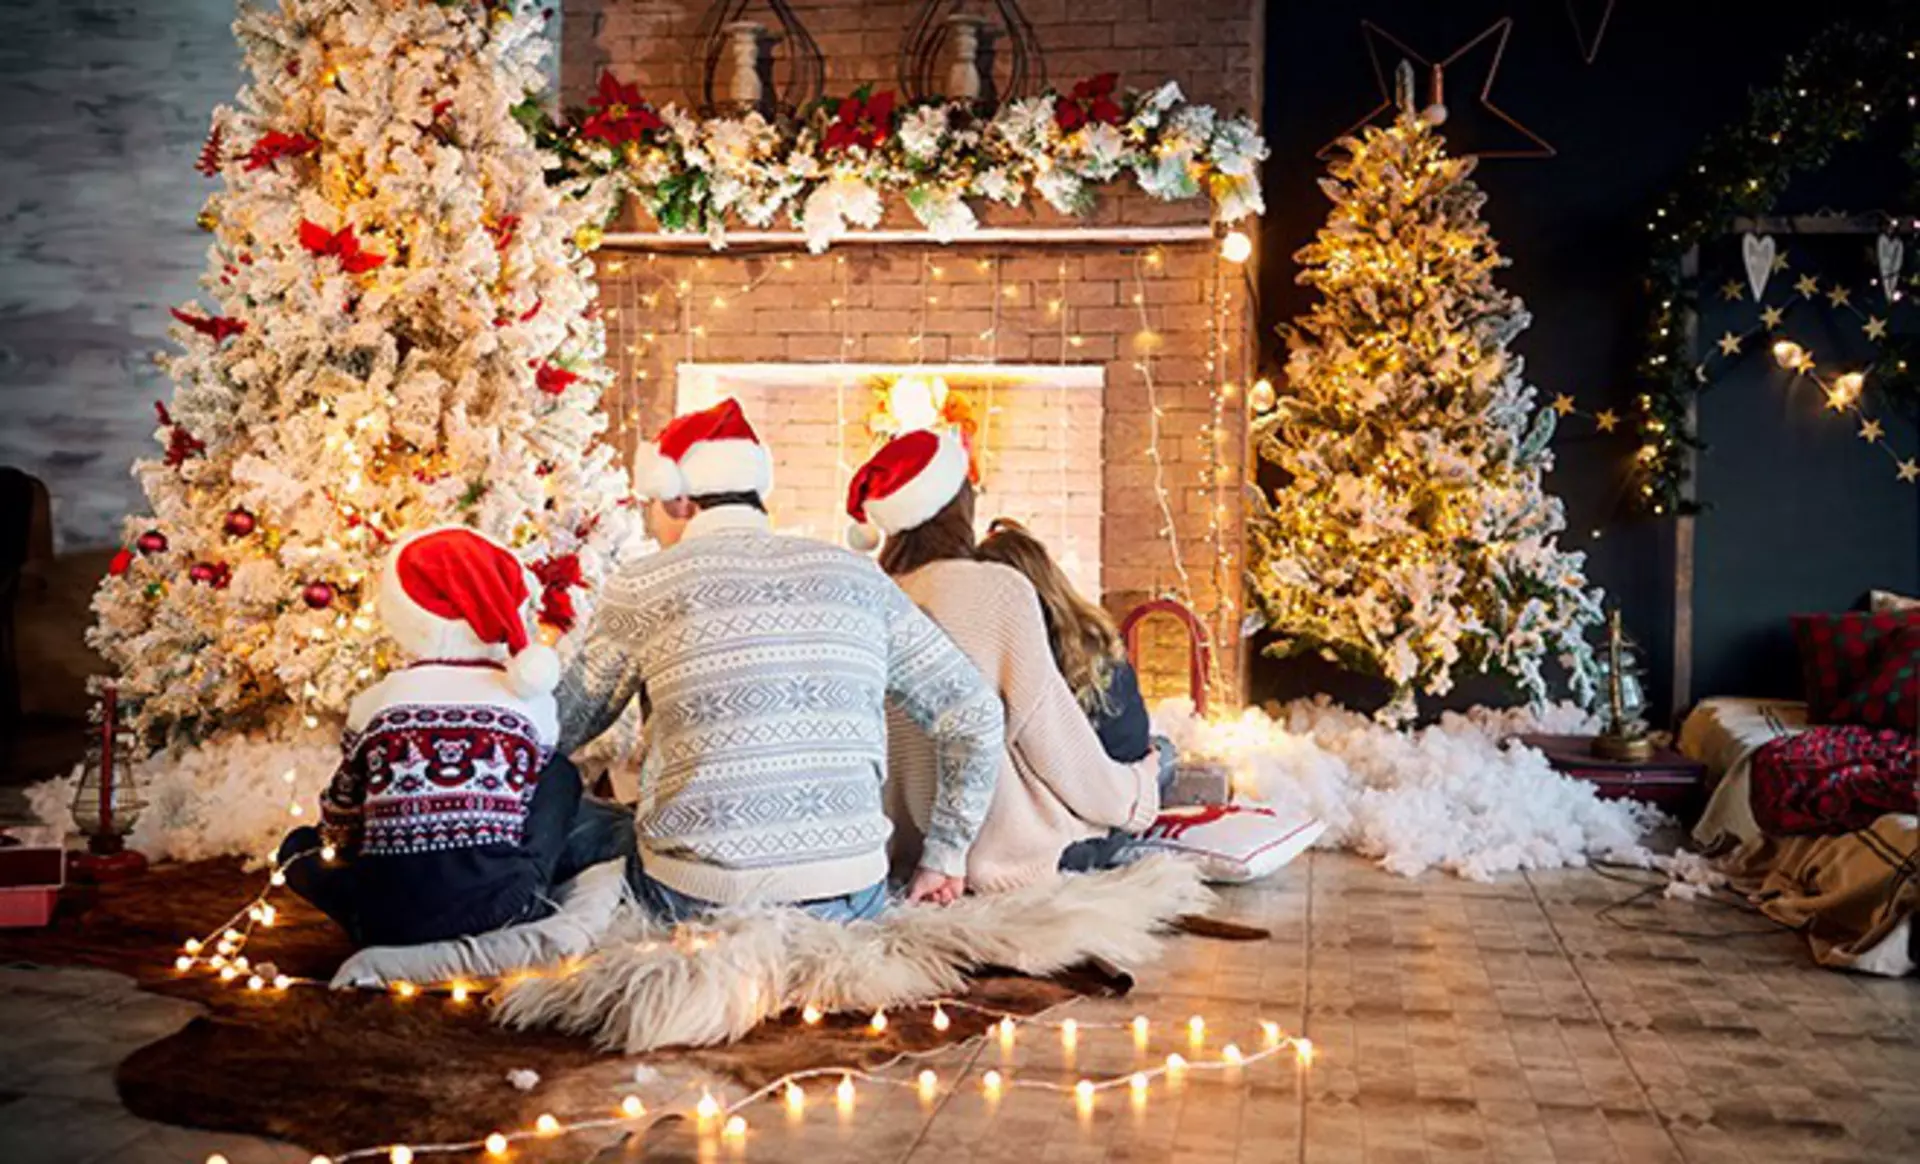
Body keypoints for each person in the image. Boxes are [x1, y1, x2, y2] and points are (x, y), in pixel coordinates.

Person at [555, 399, 1004, 920]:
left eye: (649, 505)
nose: (650, 524)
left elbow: (563, 728)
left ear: (679, 500)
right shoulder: (858, 577)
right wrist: (945, 857)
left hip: (697, 899)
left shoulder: (645, 582)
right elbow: (974, 713)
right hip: (852, 894)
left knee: (563, 806)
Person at [847, 429, 1164, 893]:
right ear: (961, 508)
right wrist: (1137, 792)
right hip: (1008, 855)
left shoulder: (868, 599)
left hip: (908, 854)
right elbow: (1050, 736)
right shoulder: (998, 589)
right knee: (1161, 760)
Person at [277, 527, 583, 947]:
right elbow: (529, 798)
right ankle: (524, 887)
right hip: (499, 907)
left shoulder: (377, 702)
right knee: (558, 773)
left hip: (384, 920)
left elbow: (342, 814)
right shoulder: (528, 701)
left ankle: (383, 888)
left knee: (298, 848)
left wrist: (345, 844)